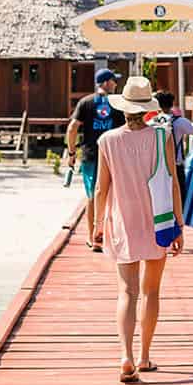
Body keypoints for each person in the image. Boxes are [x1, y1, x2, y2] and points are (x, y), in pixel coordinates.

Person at [93, 76, 183, 383]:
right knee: (151, 291)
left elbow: (101, 189)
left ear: (123, 108)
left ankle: (126, 357)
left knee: (127, 292)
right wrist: (179, 224)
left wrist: (97, 225)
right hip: (159, 220)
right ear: (148, 109)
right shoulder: (162, 137)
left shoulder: (107, 141)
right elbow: (172, 182)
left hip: (123, 222)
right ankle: (145, 357)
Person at [66, 68, 124, 251]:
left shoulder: (86, 102)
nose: (115, 84)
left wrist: (71, 153)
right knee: (115, 196)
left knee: (92, 195)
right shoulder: (117, 103)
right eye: (113, 80)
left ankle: (93, 237)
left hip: (90, 154)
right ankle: (113, 236)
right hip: (113, 154)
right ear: (106, 82)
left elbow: (72, 128)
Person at [154, 90, 193, 195]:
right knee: (179, 196)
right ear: (172, 104)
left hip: (157, 167)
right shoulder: (180, 121)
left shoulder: (152, 122)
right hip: (176, 166)